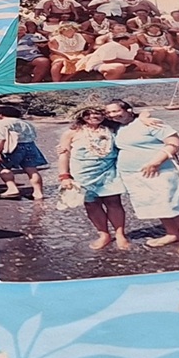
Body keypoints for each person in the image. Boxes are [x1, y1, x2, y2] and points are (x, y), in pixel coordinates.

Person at [104, 99, 179, 255]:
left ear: (128, 110)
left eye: (116, 111)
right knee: (157, 203)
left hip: (162, 171)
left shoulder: (150, 123)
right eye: (109, 112)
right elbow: (87, 119)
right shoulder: (117, 127)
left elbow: (175, 142)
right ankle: (172, 233)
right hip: (134, 175)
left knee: (177, 203)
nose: (112, 115)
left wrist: (156, 162)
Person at [58, 106, 130, 252]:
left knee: (114, 202)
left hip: (108, 172)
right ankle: (104, 235)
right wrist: (64, 176)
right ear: (81, 115)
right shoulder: (71, 132)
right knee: (92, 204)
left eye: (98, 113)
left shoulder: (112, 129)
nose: (93, 116)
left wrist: (145, 116)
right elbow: (64, 154)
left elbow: (132, 119)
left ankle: (120, 235)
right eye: (88, 114)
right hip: (82, 175)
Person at [0, 105, 48, 200]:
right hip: (30, 146)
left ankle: (12, 188)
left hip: (12, 147)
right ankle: (38, 193)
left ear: (1, 114)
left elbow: (0, 139)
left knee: (3, 167)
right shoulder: (26, 123)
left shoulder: (0, 124)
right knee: (32, 169)